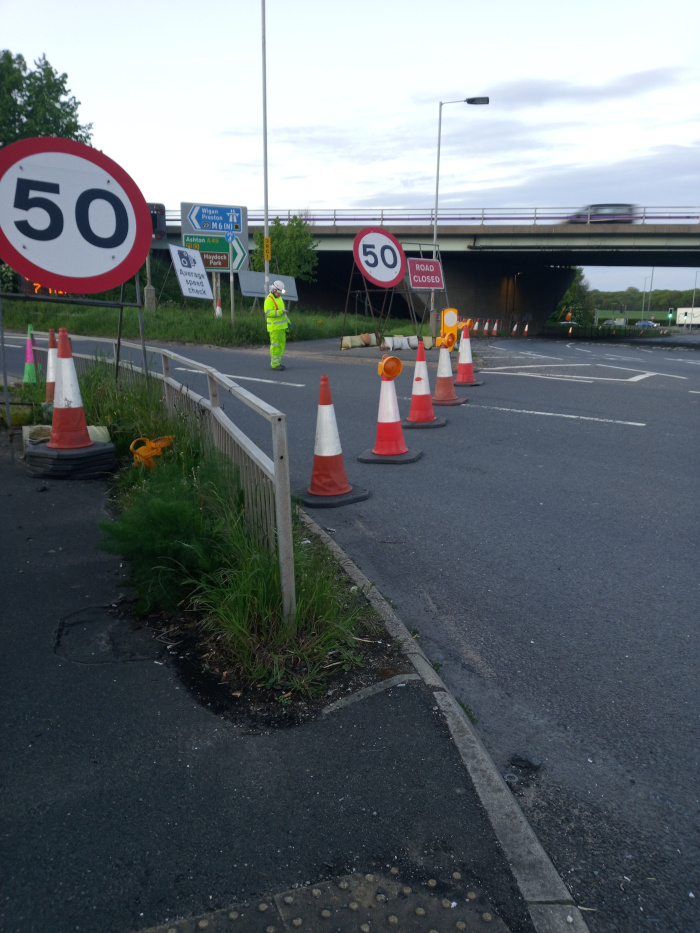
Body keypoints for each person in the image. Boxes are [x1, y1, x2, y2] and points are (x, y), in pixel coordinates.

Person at [264, 280, 291, 371]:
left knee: (281, 345)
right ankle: (275, 364)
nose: (280, 294)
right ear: (274, 290)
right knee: (275, 346)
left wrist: (288, 322)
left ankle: (278, 362)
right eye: (279, 292)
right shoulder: (269, 299)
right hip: (274, 328)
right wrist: (280, 312)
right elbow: (268, 313)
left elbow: (283, 313)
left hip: (281, 328)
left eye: (281, 292)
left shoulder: (279, 299)